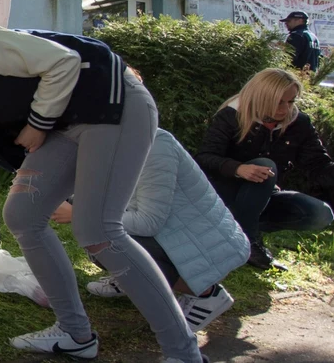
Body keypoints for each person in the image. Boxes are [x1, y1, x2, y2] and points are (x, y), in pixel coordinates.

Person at [0, 25, 206, 363]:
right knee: (22, 214)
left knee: (97, 229)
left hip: (113, 101)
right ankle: (75, 333)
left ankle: (184, 352)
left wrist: (37, 123)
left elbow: (64, 61)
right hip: (65, 125)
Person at [51, 129, 248, 334]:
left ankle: (206, 294)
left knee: (102, 237)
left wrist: (78, 213)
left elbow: (148, 222)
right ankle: (128, 279)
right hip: (174, 235)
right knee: (95, 232)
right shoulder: (110, 143)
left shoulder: (155, 146)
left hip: (204, 244)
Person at [195, 68, 334, 271]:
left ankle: (241, 232)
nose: (285, 108)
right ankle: (246, 242)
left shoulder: (299, 123)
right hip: (223, 194)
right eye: (279, 101)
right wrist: (239, 169)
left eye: (290, 101)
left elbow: (317, 166)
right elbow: (204, 158)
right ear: (261, 97)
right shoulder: (232, 115)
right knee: (266, 166)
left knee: (321, 214)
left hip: (264, 195)